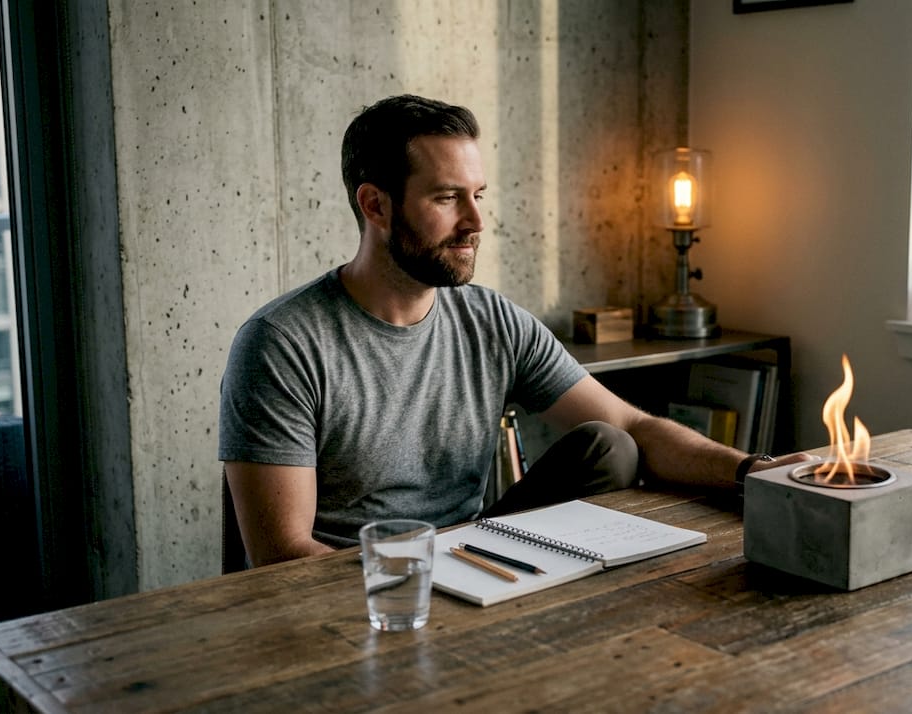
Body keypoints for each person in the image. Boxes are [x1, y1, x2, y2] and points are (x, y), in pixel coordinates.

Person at [219, 94, 808, 567]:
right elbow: (281, 555)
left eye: (477, 196)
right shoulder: (281, 343)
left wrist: (750, 471)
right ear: (375, 205)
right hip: (367, 589)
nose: (476, 222)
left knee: (609, 444)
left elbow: (632, 424)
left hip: (475, 556)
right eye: (448, 198)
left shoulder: (491, 320)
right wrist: (422, 592)